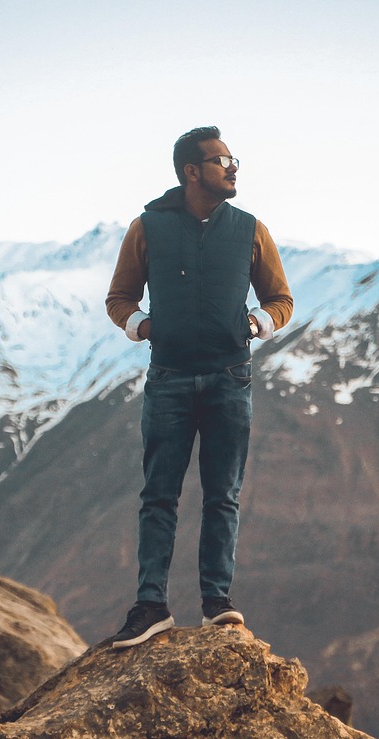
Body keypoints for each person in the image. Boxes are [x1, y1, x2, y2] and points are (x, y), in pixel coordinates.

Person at [104, 126, 293, 648]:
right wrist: (144, 326)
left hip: (230, 379)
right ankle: (150, 606)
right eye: (221, 160)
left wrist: (255, 324)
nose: (232, 168)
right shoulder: (147, 228)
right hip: (168, 378)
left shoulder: (251, 229)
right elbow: (119, 298)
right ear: (192, 172)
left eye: (233, 160)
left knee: (222, 496)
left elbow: (280, 299)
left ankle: (217, 604)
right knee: (158, 496)